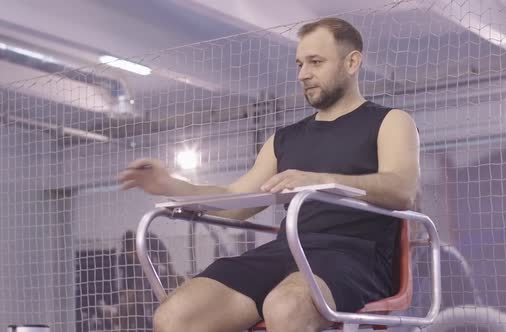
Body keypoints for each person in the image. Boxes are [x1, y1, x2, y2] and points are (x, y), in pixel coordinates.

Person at [117, 17, 420, 332]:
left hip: (353, 255)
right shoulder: (284, 139)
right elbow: (236, 204)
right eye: (300, 64)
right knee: (174, 315)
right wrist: (171, 184)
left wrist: (319, 181)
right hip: (286, 252)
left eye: (316, 62)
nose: (303, 74)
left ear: (352, 62)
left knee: (286, 307)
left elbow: (402, 189)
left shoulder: (390, 121)